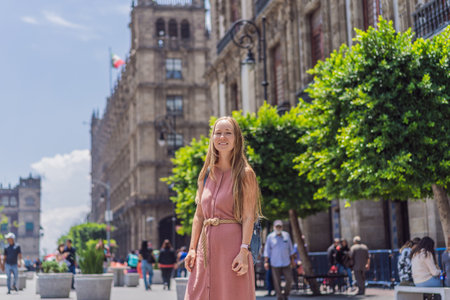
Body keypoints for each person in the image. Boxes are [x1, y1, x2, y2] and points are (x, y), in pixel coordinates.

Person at [184, 116, 263, 300]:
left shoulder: (245, 174)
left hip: (233, 250)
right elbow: (199, 216)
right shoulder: (205, 174)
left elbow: (249, 216)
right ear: (212, 138)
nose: (222, 137)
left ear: (237, 138)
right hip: (205, 251)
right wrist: (192, 249)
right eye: (218, 133)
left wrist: (244, 251)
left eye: (228, 133)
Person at [263, 220, 296, 300]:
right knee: (276, 282)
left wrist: (292, 261)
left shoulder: (286, 235)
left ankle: (285, 294)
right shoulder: (270, 237)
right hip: (275, 263)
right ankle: (280, 297)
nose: (278, 228)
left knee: (289, 279)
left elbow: (291, 249)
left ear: (282, 227)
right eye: (277, 226)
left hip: (286, 262)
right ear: (274, 227)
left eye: (280, 226)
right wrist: (266, 262)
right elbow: (267, 251)